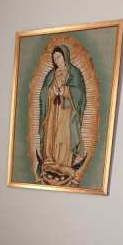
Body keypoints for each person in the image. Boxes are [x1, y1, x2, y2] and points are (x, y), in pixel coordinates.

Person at [38, 45, 86, 186]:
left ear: (65, 56)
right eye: (54, 58)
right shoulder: (51, 74)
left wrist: (65, 91)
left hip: (67, 112)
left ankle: (64, 165)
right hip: (52, 111)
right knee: (51, 135)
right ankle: (49, 163)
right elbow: (43, 93)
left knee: (63, 136)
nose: (56, 60)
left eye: (58, 56)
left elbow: (80, 94)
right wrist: (52, 91)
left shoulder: (75, 73)